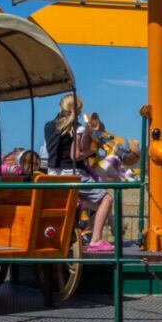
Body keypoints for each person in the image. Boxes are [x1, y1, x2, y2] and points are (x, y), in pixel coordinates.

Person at [45, 94, 115, 253]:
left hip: (52, 174)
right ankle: (96, 240)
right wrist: (91, 151)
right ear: (77, 110)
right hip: (71, 173)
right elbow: (75, 156)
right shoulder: (77, 128)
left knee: (82, 200)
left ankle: (82, 227)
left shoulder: (48, 126)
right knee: (107, 199)